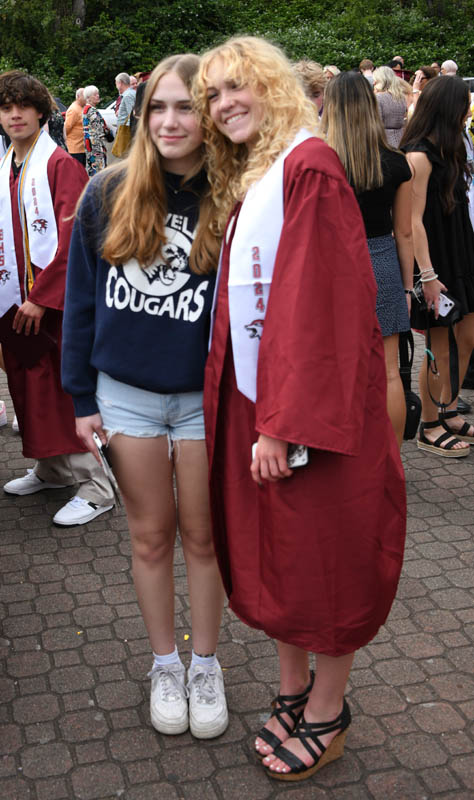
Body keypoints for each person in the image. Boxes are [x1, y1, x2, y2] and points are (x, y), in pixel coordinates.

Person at [194, 36, 406, 781]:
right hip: (264, 400)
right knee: (279, 552)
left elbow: (318, 303)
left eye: (236, 87)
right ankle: (291, 687)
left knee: (328, 556)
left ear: (276, 87)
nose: (223, 105)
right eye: (212, 95)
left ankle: (328, 707)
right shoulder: (261, 171)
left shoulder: (308, 164)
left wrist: (282, 422)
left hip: (303, 411)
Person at [62, 54, 228, 739]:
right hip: (124, 396)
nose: (168, 120)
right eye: (156, 106)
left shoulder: (236, 195)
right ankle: (165, 662)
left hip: (203, 401)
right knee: (150, 537)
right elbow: (80, 303)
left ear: (210, 114)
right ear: (140, 112)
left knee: (204, 537)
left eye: (184, 106)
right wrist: (80, 399)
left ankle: (206, 665)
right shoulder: (106, 190)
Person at [0, 70, 115, 525]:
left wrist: (43, 298)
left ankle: (96, 487)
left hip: (50, 305)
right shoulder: (9, 163)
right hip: (15, 300)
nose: (13, 115)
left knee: (64, 393)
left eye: (21, 107)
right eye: (6, 108)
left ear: (41, 113)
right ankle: (52, 468)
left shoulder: (57, 165)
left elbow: (76, 240)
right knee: (29, 391)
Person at [321, 72, 414, 447]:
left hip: (332, 268)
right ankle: (391, 459)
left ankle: (345, 454)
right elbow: (404, 232)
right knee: (390, 371)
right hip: (382, 263)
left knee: (336, 367)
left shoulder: (321, 160)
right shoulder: (395, 162)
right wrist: (408, 287)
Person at [401, 76, 474, 456]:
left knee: (467, 334)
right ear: (448, 107)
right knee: (439, 344)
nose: (468, 111)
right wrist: (427, 276)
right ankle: (429, 426)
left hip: (459, 249)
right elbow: (413, 222)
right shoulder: (419, 154)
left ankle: (448, 407)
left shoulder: (449, 147)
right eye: (463, 104)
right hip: (435, 259)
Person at [82, 85, 113, 177]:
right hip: (95, 144)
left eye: (98, 94)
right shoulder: (91, 110)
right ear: (88, 98)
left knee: (94, 169)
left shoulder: (87, 109)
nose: (98, 96)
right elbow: (100, 128)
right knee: (99, 169)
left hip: (91, 143)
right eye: (95, 94)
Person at [373, 65, 407, 147]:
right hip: (401, 138)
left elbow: (377, 124)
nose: (373, 83)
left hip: (384, 141)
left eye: (376, 80)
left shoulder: (379, 97)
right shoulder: (401, 97)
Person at [65, 87, 86, 166]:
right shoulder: (73, 109)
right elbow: (67, 128)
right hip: (75, 149)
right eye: (84, 96)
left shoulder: (81, 107)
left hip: (81, 147)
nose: (86, 98)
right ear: (78, 97)